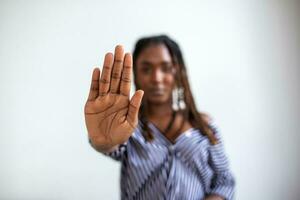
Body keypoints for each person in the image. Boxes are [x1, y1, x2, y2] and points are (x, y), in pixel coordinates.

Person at [84, 35, 235, 200]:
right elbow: (112, 146)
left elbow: (224, 181)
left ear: (178, 71)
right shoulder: (129, 127)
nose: (156, 78)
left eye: (166, 68)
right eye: (146, 69)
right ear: (135, 74)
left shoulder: (204, 125)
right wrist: (105, 142)